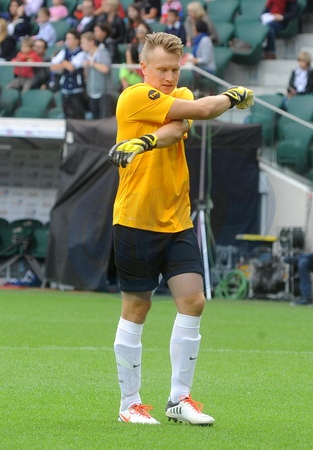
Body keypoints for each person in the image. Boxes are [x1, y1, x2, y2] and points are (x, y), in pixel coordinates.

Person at [108, 31, 253, 425]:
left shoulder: (182, 96)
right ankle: (129, 404)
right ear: (143, 68)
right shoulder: (133, 97)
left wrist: (144, 141)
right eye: (162, 69)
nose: (170, 77)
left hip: (177, 220)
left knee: (194, 301)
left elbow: (182, 124)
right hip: (135, 219)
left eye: (175, 69)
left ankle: (179, 399)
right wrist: (234, 97)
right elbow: (199, 113)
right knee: (137, 307)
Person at [50, 29, 87, 119]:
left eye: (70, 39)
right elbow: (53, 67)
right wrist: (65, 64)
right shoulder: (64, 51)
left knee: (78, 114)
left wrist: (62, 62)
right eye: (67, 39)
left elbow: (71, 67)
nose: (67, 41)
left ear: (77, 40)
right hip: (65, 88)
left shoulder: (82, 53)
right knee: (66, 113)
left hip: (77, 88)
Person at [81, 30, 112, 119]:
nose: (82, 45)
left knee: (104, 119)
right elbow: (86, 76)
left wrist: (93, 64)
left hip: (104, 92)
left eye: (83, 42)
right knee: (94, 118)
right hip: (92, 92)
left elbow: (106, 68)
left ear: (91, 42)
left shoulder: (102, 53)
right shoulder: (86, 56)